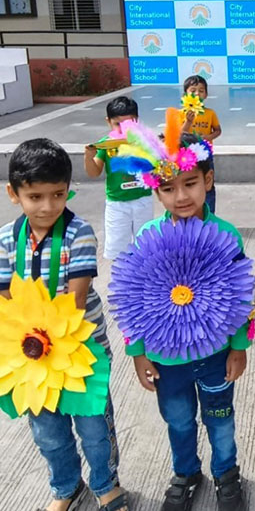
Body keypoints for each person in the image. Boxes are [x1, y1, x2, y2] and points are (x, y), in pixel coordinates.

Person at [119, 133, 249, 511]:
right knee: (178, 421)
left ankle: (226, 472)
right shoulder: (147, 236)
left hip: (216, 355)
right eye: (168, 188)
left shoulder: (226, 235)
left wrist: (239, 347)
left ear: (208, 180)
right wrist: (137, 353)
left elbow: (241, 296)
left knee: (220, 418)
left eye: (190, 183)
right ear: (155, 191)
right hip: (166, 360)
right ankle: (186, 472)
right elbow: (130, 299)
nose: (181, 196)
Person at [0, 139, 129, 511]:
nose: (48, 206)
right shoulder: (6, 239)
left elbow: (75, 301)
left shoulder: (79, 233)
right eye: (35, 197)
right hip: (32, 360)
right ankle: (65, 487)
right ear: (14, 194)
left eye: (58, 195)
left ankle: (106, 484)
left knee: (95, 429)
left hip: (80, 353)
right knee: (48, 432)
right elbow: (5, 297)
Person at [84, 96, 153, 260]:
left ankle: (143, 273)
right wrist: (88, 157)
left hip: (143, 200)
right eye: (117, 124)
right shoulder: (105, 144)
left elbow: (158, 167)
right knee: (117, 249)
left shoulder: (145, 142)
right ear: (108, 122)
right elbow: (94, 172)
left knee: (146, 247)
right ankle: (121, 273)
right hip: (117, 204)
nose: (124, 129)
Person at [181, 75, 221, 213]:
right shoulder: (181, 114)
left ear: (206, 94)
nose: (197, 94)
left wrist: (208, 137)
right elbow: (179, 134)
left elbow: (217, 130)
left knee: (208, 185)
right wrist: (188, 122)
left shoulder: (210, 113)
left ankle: (209, 214)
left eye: (201, 90)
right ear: (185, 95)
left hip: (206, 156)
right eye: (193, 91)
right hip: (187, 158)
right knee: (189, 185)